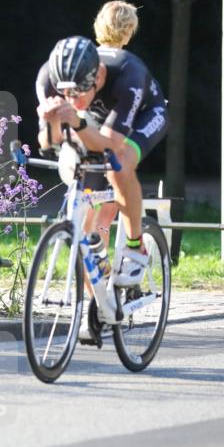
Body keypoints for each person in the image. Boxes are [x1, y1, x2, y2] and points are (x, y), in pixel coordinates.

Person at [35, 33, 168, 286]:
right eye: (66, 94)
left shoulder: (129, 76)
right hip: (95, 117)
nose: (72, 100)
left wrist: (74, 120)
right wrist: (52, 120)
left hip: (143, 114)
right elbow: (46, 142)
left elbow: (110, 144)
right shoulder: (48, 79)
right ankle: (97, 306)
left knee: (120, 163)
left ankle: (135, 247)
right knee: (85, 230)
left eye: (78, 92)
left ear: (98, 77)